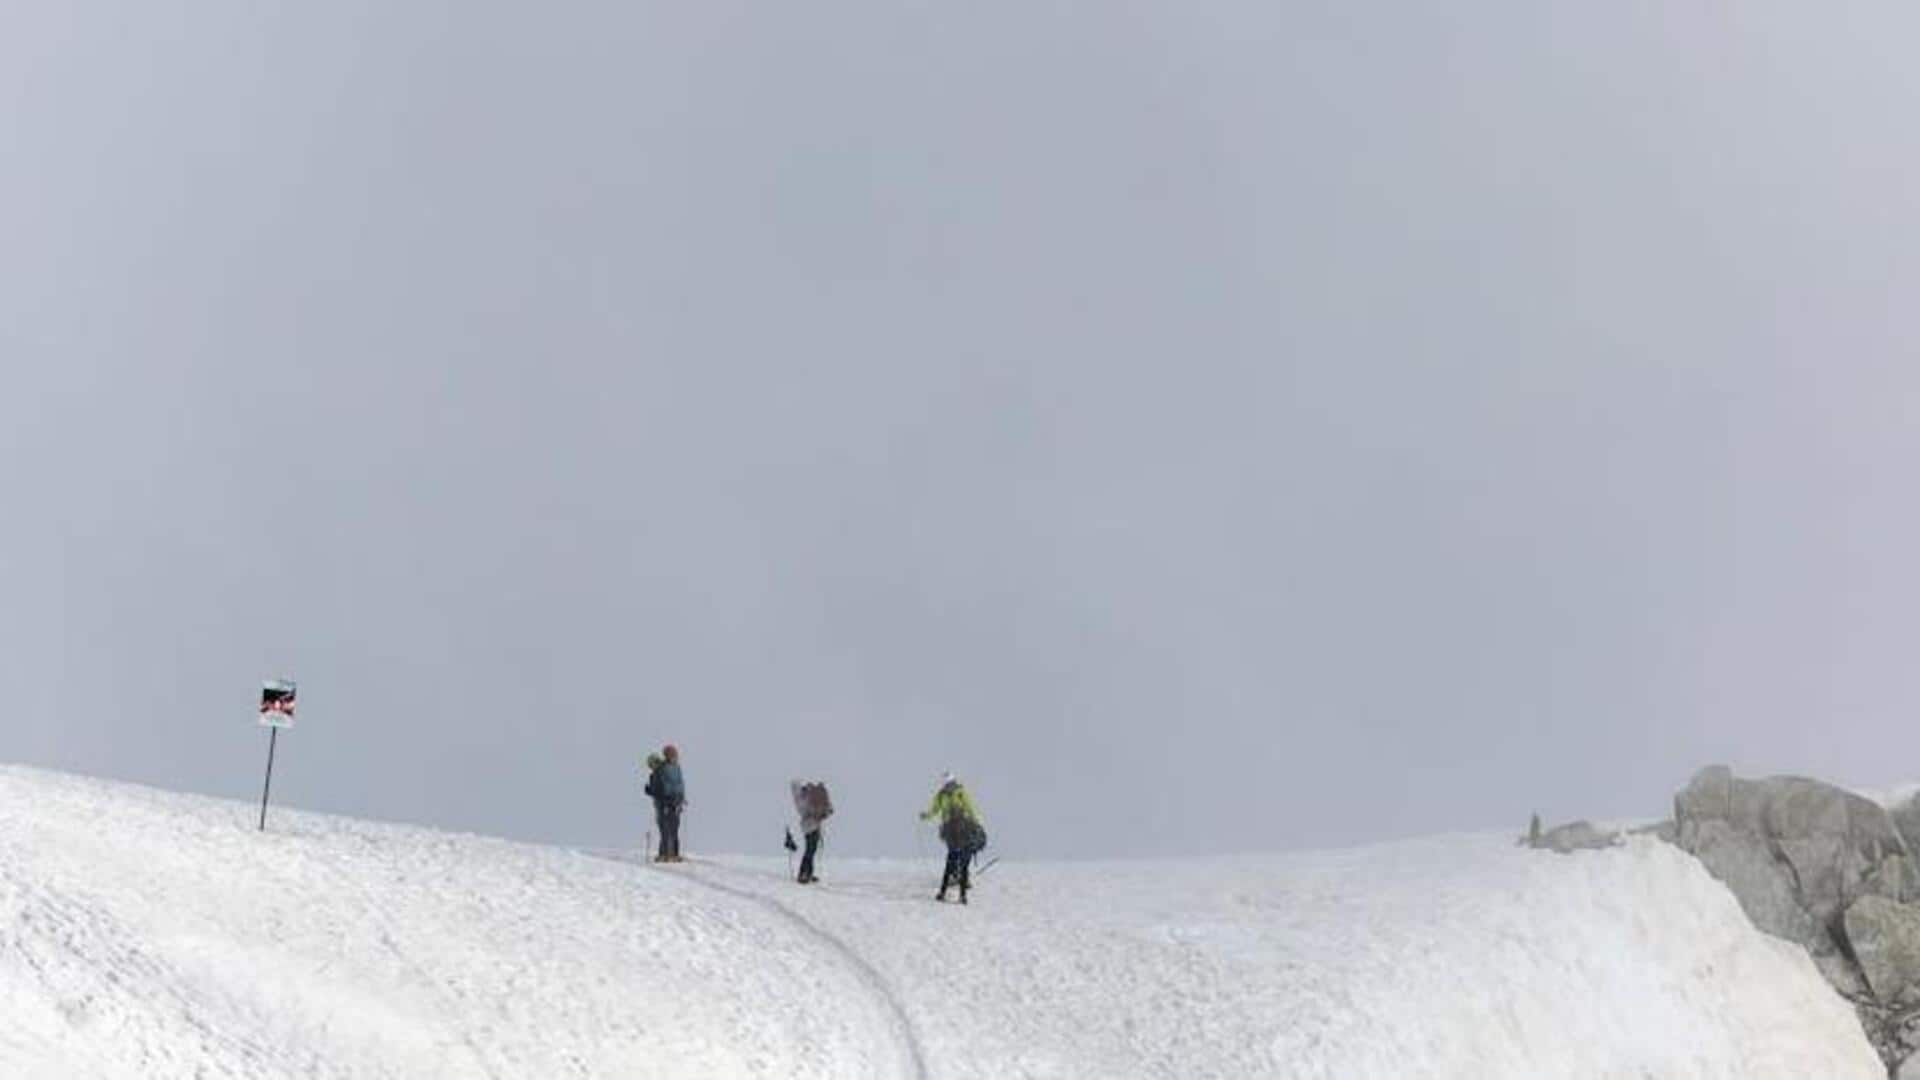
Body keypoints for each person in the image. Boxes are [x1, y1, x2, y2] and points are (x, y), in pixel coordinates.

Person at [920, 772, 986, 904]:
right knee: (954, 857)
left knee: (955, 858)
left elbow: (970, 806)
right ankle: (957, 881)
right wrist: (926, 816)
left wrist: (976, 820)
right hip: (950, 831)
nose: (949, 787)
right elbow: (935, 810)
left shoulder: (960, 793)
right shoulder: (940, 796)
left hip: (961, 829)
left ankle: (956, 884)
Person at [644, 744, 686, 863]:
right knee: (674, 828)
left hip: (663, 803)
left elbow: (657, 790)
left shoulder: (659, 771)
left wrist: (649, 790)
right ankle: (675, 853)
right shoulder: (676, 768)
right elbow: (680, 785)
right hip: (676, 801)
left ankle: (664, 854)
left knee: (664, 828)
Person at [790, 780, 834, 884]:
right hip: (815, 825)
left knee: (810, 850)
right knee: (811, 850)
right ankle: (806, 874)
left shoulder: (801, 799)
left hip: (809, 826)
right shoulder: (807, 796)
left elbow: (803, 811)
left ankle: (805, 874)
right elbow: (828, 810)